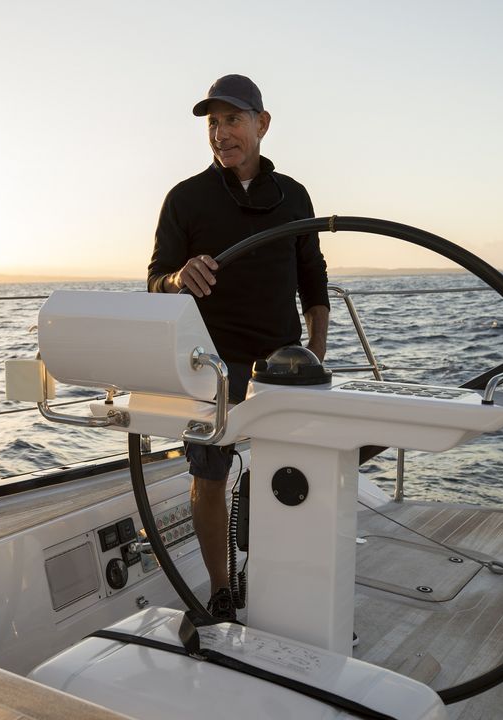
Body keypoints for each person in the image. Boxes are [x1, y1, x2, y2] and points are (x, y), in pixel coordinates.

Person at [147, 74, 330, 620]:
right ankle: (222, 588)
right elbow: (155, 280)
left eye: (232, 120)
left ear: (262, 124)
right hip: (210, 365)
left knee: (292, 475)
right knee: (209, 477)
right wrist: (179, 277)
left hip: (282, 364)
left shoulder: (294, 196)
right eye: (213, 123)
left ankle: (280, 577)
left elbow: (313, 281)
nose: (221, 133)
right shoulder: (185, 199)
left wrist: (316, 358)